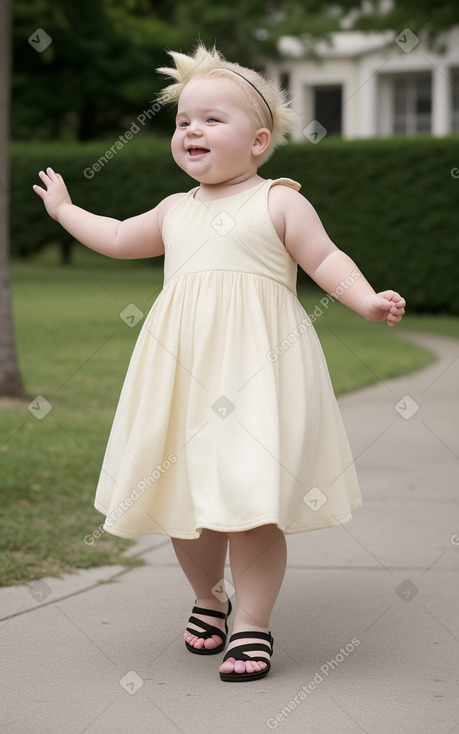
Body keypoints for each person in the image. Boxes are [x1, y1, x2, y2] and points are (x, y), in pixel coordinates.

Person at [33, 43, 405, 683]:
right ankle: (210, 597)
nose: (191, 130)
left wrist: (366, 299)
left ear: (259, 141)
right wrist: (66, 211)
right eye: (182, 122)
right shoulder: (176, 210)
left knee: (254, 497)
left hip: (259, 374)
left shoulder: (279, 203)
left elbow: (327, 259)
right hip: (183, 374)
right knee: (188, 495)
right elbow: (121, 236)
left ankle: (253, 623)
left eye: (211, 120)